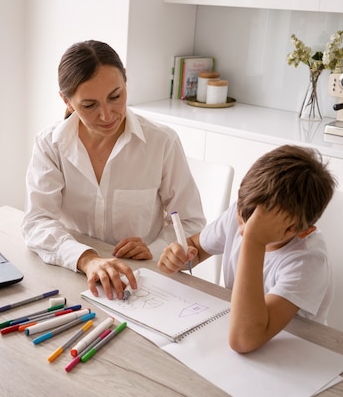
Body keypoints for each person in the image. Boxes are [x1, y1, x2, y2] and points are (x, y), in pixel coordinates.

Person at [22, 40, 205, 301]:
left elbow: (190, 221)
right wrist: (87, 259)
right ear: (67, 101)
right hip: (73, 279)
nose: (107, 115)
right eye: (89, 105)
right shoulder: (50, 144)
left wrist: (156, 249)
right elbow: (36, 221)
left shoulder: (162, 142)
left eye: (115, 97)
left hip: (143, 284)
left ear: (126, 82)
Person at [158, 145, 337, 354]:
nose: (243, 232)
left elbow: (245, 340)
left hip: (294, 356)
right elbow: (196, 248)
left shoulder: (308, 262)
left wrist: (254, 241)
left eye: (256, 228)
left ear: (301, 231)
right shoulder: (242, 211)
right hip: (236, 341)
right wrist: (179, 256)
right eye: (242, 218)